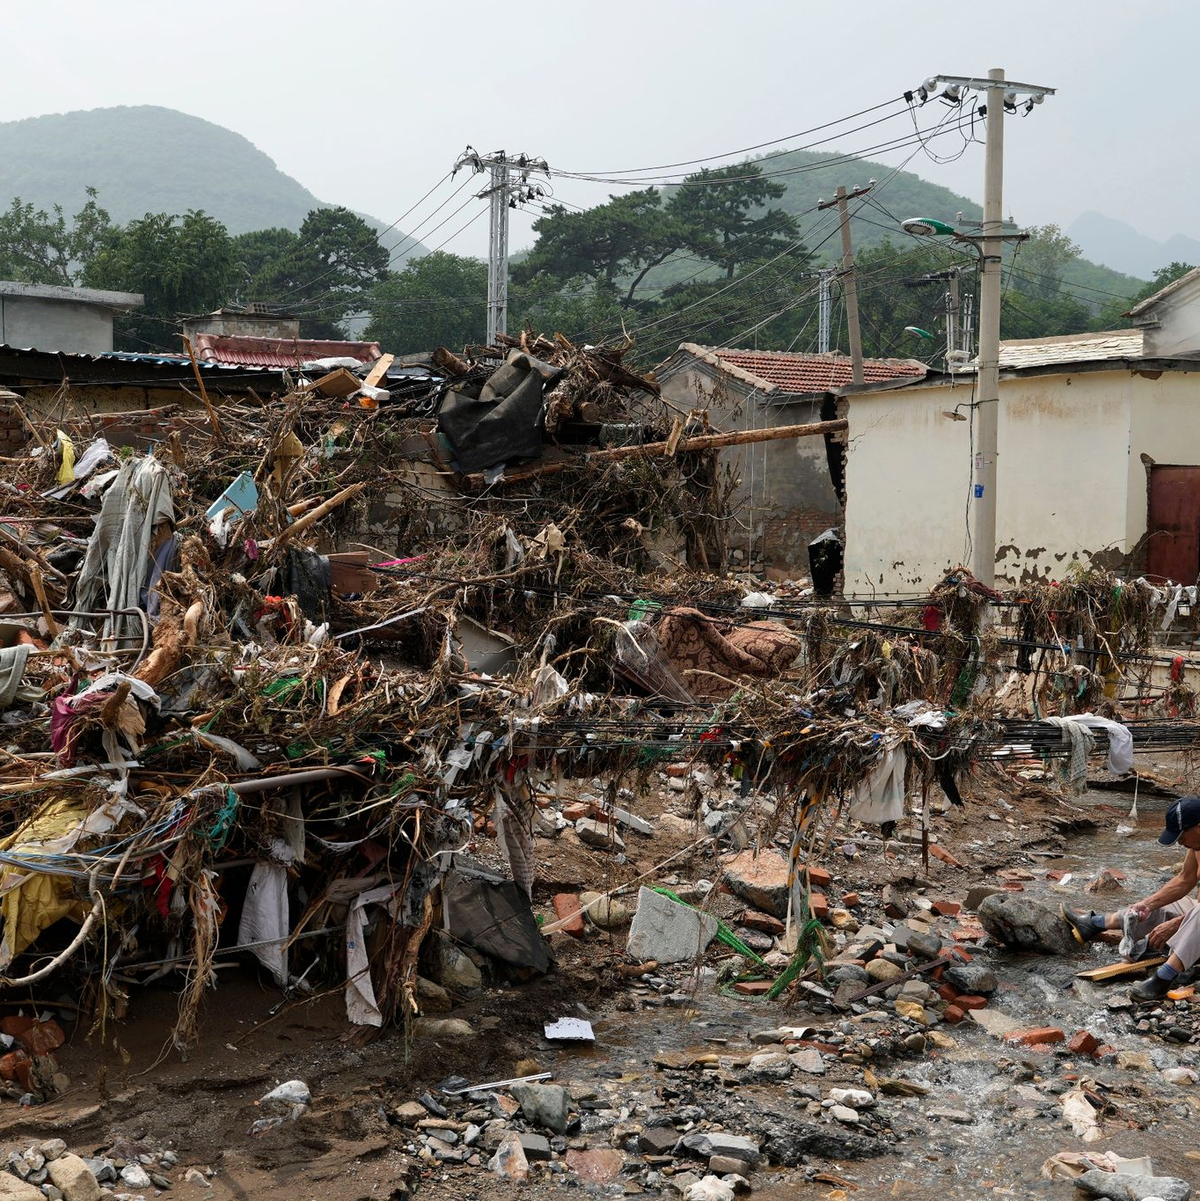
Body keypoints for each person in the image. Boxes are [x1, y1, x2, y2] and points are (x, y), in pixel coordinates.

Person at [1061, 795, 1200, 1002]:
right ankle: (1095, 923)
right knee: (1159, 906)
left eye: (1181, 836)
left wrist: (1177, 924)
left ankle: (1163, 978)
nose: (1179, 843)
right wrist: (1147, 904)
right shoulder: (1196, 845)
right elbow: (1184, 879)